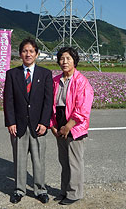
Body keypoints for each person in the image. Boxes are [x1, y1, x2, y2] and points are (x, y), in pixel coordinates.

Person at [3, 38, 53, 204]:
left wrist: (45, 123)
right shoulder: (12, 74)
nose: (28, 54)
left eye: (31, 51)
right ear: (20, 54)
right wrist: (10, 122)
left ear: (37, 54)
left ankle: (40, 190)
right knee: (19, 160)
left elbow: (48, 101)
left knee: (39, 161)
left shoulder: (45, 74)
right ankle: (19, 190)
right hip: (18, 125)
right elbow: (8, 101)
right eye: (25, 51)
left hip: (38, 126)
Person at [50, 47, 94, 205]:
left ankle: (74, 193)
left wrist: (68, 126)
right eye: (62, 58)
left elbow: (83, 109)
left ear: (75, 61)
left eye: (68, 58)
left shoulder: (82, 82)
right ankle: (64, 190)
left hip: (75, 126)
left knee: (74, 162)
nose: (64, 62)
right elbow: (50, 105)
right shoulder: (55, 81)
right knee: (63, 161)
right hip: (59, 124)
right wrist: (53, 126)